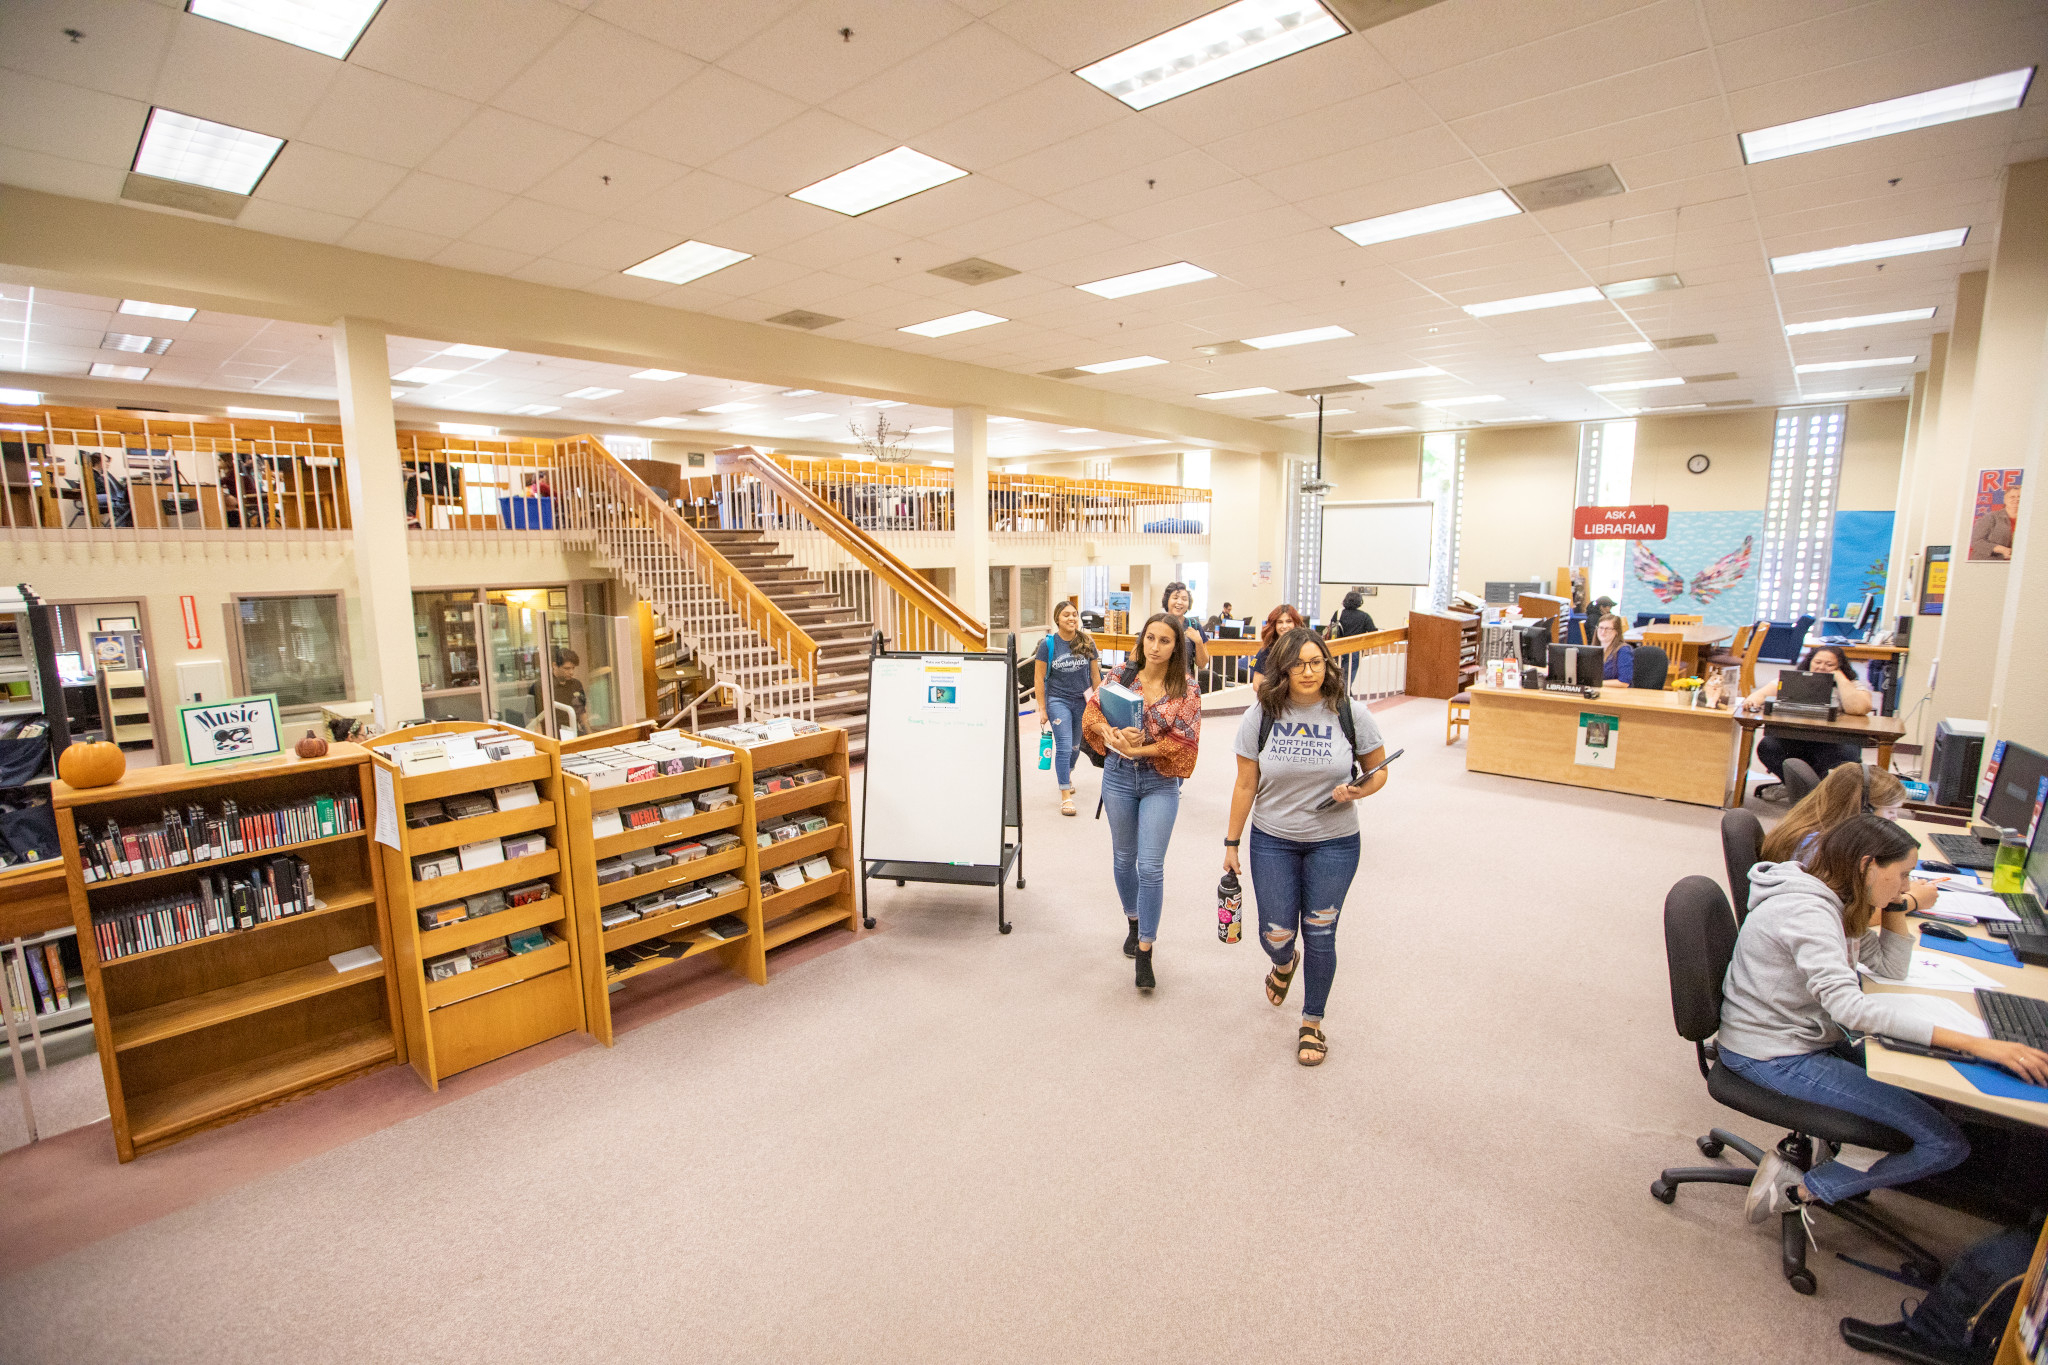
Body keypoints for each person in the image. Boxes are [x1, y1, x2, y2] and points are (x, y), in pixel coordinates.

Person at [1721, 815, 2048, 1223]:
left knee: (1924, 1079)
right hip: (1771, 1053)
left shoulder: (1838, 898)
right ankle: (1799, 1190)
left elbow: (1890, 968)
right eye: (1903, 875)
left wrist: (1894, 902)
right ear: (1866, 864)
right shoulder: (1809, 912)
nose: (1909, 886)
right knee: (1946, 1144)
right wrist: (1978, 1042)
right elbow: (1851, 1010)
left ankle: (1851, 1156)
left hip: (1802, 1035)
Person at [1224, 628, 1389, 1066]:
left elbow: (1378, 771)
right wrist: (1231, 843)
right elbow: (1245, 783)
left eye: (1317, 662)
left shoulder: (1349, 712)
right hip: (1273, 839)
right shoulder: (1261, 714)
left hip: (1334, 843)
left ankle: (1312, 1021)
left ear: (1327, 665)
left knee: (1321, 932)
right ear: (1283, 667)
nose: (1309, 671)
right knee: (1275, 932)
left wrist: (1359, 791)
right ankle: (1282, 963)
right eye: (1299, 663)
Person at [1082, 613, 1202, 992]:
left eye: (1164, 640)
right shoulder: (1121, 674)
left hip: (1160, 781)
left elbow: (1182, 743)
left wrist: (1139, 749)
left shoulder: (1187, 688)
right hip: (1116, 776)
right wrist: (1111, 734)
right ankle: (1133, 921)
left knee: (1150, 866)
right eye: (1150, 638)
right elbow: (1092, 713)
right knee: (1123, 858)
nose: (1155, 646)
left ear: (1176, 647)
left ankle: (1146, 949)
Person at [1744, 645, 1873, 779]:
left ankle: (1815, 791)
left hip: (1834, 740)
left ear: (1839, 667)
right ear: (1809, 662)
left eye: (1829, 664)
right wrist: (1753, 702)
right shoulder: (1794, 679)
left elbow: (1859, 708)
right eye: (1817, 662)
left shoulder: (1851, 684)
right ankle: (1797, 787)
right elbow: (1759, 695)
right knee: (1768, 747)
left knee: (1848, 754)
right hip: (1795, 737)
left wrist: (1840, 678)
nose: (1821, 667)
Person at [1760, 762, 1920, 870]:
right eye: (1891, 811)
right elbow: (1843, 912)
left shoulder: (1824, 831)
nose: (1895, 819)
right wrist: (1910, 901)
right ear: (1864, 810)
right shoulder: (1820, 849)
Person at [1033, 601, 1101, 817]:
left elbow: (1095, 675)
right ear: (1057, 619)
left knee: (1074, 746)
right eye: (1066, 615)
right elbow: (1039, 678)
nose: (1071, 618)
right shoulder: (1048, 644)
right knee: (1063, 746)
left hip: (1082, 700)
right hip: (1057, 700)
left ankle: (1067, 773)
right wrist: (1042, 708)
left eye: (1074, 614)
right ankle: (1065, 795)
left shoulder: (1087, 642)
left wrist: (1099, 703)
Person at [533, 646, 589, 735]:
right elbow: (536, 721)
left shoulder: (576, 685)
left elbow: (582, 714)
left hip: (573, 732)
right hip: (552, 735)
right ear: (554, 665)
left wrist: (590, 735)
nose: (571, 672)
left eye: (573, 668)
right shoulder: (542, 686)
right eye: (567, 668)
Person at [1329, 589, 1377, 690]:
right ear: (1360, 602)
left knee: (1337, 676)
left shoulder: (1338, 613)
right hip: (1355, 650)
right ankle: (1344, 699)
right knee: (1348, 677)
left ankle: (1345, 697)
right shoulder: (1364, 616)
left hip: (1338, 649)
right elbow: (1373, 632)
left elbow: (1332, 630)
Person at [1161, 581, 1211, 670]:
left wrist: (1198, 642)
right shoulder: (1156, 623)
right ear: (1167, 600)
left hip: (1184, 681)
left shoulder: (1194, 626)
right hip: (1157, 680)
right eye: (1175, 598)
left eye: (1184, 599)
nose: (1179, 602)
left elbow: (1202, 664)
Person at [1252, 605, 1308, 678]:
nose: (1284, 626)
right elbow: (1257, 685)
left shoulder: (1305, 647)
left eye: (1289, 621)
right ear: (1274, 625)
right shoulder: (1267, 651)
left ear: (1296, 623)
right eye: (1280, 622)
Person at [1971, 482, 2021, 560]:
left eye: (2020, 497)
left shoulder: (2030, 521)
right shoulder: (1991, 517)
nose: (2016, 499)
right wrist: (2001, 549)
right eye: (2012, 497)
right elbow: (1975, 541)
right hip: (1987, 562)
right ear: (2005, 499)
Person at [1596, 613, 1635, 687]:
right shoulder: (1594, 650)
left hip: (1618, 695)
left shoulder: (1624, 651)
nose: (1603, 632)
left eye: (1608, 629)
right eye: (1601, 628)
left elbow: (1624, 683)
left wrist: (1594, 683)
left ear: (1616, 632)